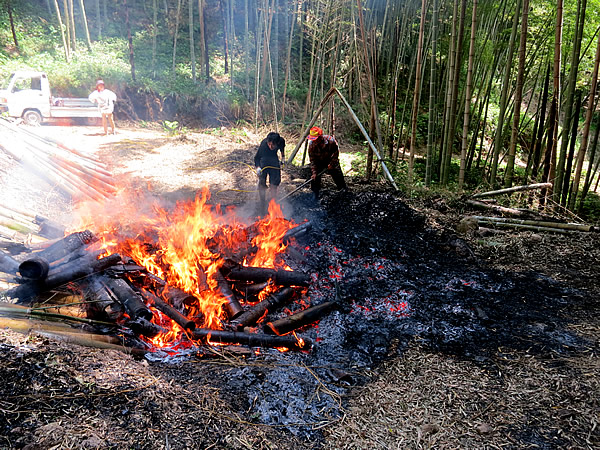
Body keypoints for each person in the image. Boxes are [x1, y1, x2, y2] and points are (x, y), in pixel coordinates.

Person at [307, 126, 347, 199]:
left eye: (315, 139)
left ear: (320, 137)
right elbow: (312, 160)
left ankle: (343, 191)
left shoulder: (331, 141)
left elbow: (336, 154)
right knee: (315, 178)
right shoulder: (311, 145)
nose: (314, 141)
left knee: (337, 175)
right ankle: (315, 194)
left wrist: (332, 164)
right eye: (313, 139)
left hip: (330, 160)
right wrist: (314, 172)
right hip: (319, 162)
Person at [254, 132, 285, 212]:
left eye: (273, 145)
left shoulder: (281, 141)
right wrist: (258, 168)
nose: (270, 146)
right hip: (264, 161)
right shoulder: (264, 145)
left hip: (274, 160)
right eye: (269, 144)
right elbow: (256, 158)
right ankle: (262, 204)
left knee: (274, 183)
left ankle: (273, 202)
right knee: (262, 183)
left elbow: (282, 148)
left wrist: (283, 157)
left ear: (277, 143)